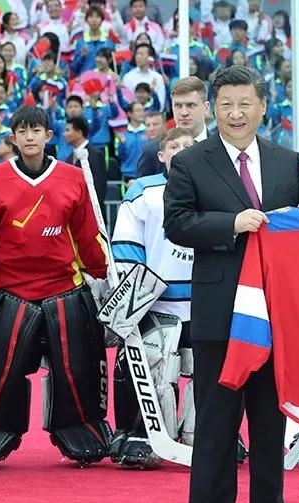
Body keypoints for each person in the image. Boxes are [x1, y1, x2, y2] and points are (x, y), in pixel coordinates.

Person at [164, 66, 299, 503]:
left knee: (271, 422)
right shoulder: (192, 161)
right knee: (216, 420)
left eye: (245, 102)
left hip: (277, 315)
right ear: (212, 108)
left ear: (263, 106)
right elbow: (178, 223)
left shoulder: (287, 161)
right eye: (226, 103)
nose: (236, 112)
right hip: (220, 311)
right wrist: (232, 223)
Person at [0, 105, 111, 468]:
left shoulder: (72, 177)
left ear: (48, 136)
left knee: (77, 369)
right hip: (10, 287)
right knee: (0, 370)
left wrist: (100, 270)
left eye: (36, 130)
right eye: (22, 131)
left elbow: (86, 234)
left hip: (63, 286)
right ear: (13, 137)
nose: (30, 137)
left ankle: (82, 427)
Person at [110, 127, 195, 468]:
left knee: (208, 372)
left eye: (189, 145)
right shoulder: (143, 191)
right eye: (174, 146)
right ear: (161, 156)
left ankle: (208, 434)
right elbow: (129, 247)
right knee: (148, 367)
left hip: (204, 300)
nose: (182, 150)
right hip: (158, 301)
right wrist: (138, 296)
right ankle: (138, 433)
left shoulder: (216, 187)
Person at [137, 77, 209, 178]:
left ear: (206, 108)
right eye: (178, 106)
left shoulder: (222, 148)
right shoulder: (152, 151)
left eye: (190, 105)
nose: (184, 113)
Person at [64, 116, 107, 208]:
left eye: (68, 130)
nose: (64, 134)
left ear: (79, 133)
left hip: (92, 211)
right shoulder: (69, 158)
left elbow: (99, 186)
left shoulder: (95, 154)